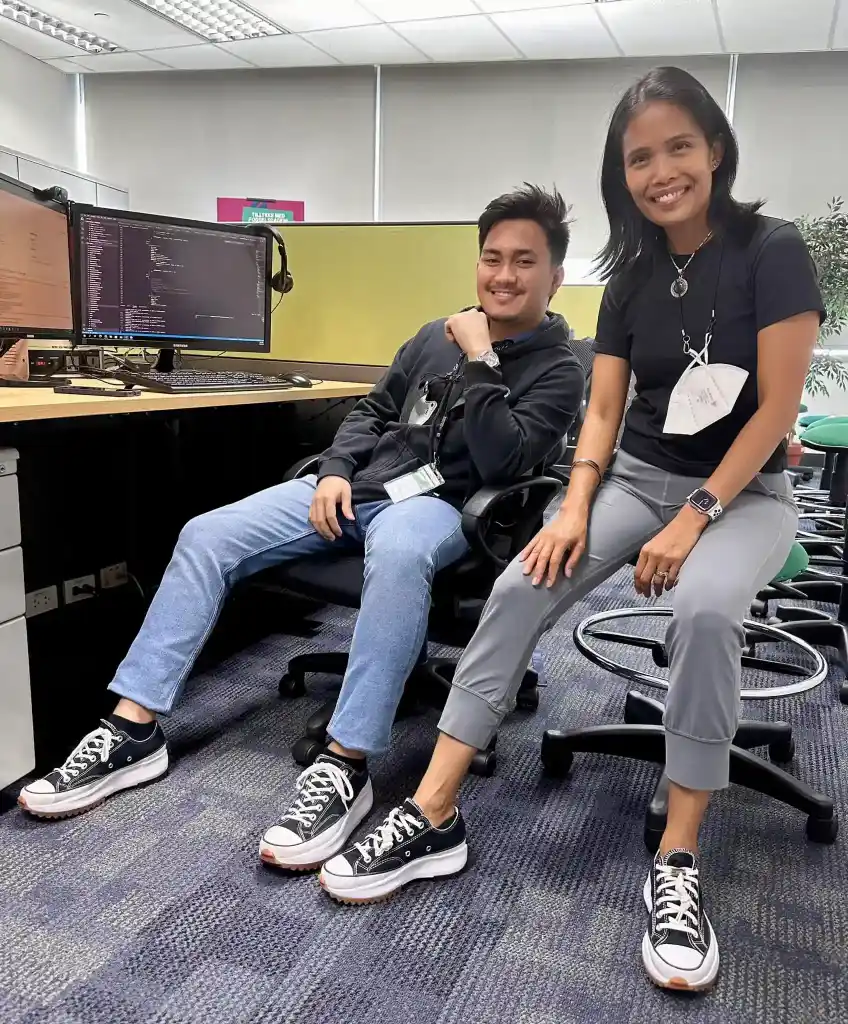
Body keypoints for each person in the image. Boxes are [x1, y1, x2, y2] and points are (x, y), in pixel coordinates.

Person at [315, 67, 823, 993]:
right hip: (631, 476)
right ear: (618, 173)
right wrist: (577, 506)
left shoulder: (773, 249)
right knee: (519, 588)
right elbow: (602, 411)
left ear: (715, 149)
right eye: (639, 157)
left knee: (706, 612)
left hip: (740, 493)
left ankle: (676, 859)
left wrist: (699, 514)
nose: (660, 170)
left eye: (679, 146)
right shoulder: (629, 275)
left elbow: (775, 411)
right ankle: (434, 810)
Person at [18, 185, 586, 852]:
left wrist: (481, 361)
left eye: (524, 262)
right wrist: (337, 471)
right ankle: (134, 727)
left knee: (400, 556)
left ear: (556, 276)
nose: (504, 275)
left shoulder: (561, 367)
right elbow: (373, 413)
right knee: (207, 534)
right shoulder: (433, 336)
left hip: (445, 508)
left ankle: (346, 764)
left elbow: (502, 462)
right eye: (492, 258)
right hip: (361, 490)